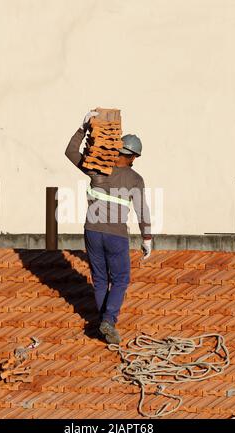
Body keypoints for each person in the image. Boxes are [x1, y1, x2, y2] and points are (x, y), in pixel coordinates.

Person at [65, 110, 152, 344]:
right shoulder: (135, 179)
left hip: (92, 231)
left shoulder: (97, 167)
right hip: (115, 235)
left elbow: (70, 152)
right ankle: (108, 320)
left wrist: (83, 128)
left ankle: (104, 321)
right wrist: (147, 239)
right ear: (132, 156)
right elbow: (142, 210)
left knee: (101, 279)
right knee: (121, 279)